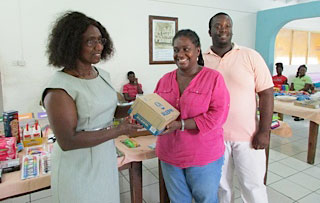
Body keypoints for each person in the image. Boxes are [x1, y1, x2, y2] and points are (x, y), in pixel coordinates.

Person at [42, 11, 141, 202]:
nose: (98, 47)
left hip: (103, 158)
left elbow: (109, 109)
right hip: (77, 167)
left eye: (101, 40)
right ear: (71, 44)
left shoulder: (102, 74)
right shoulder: (59, 89)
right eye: (90, 41)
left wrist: (135, 106)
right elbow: (68, 140)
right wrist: (118, 130)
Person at [203, 12, 274, 203]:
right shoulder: (201, 61)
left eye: (227, 26)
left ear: (232, 30)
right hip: (214, 137)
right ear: (210, 31)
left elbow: (267, 93)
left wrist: (264, 131)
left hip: (248, 136)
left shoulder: (250, 56)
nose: (223, 30)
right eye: (218, 26)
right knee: (221, 188)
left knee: (253, 187)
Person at [154, 29, 230, 203]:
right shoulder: (165, 79)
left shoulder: (213, 78)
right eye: (176, 50)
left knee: (206, 199)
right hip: (170, 155)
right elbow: (155, 108)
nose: (180, 54)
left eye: (185, 49)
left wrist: (181, 125)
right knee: (178, 201)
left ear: (197, 51)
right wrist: (139, 116)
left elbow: (218, 115)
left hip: (203, 156)